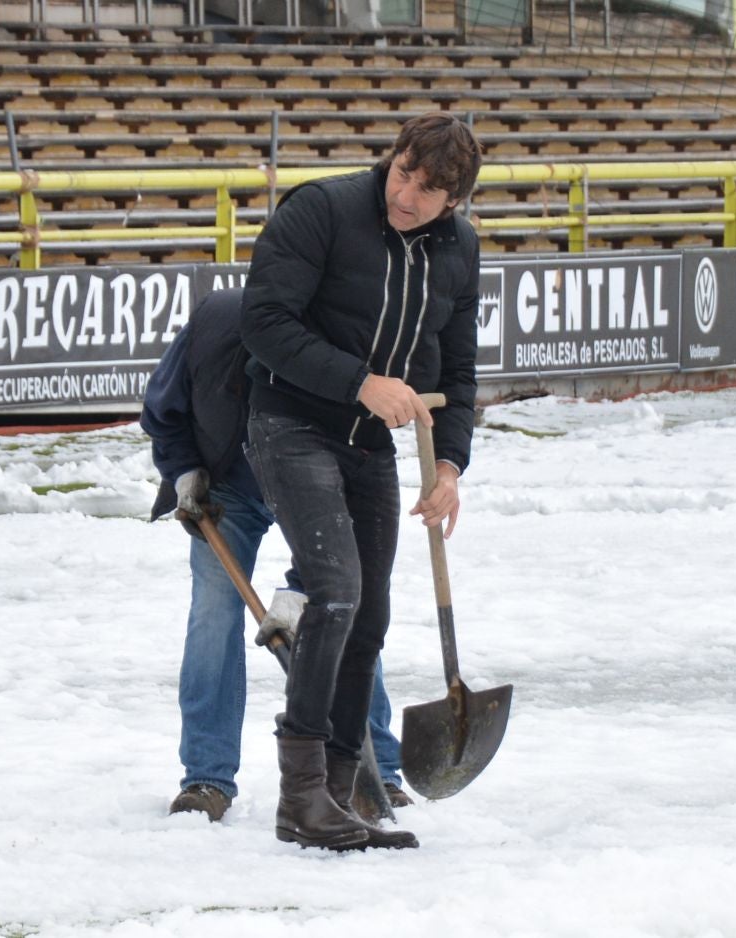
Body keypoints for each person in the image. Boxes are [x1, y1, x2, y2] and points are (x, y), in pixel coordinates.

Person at [240, 113, 483, 851]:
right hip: (290, 422)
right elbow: (264, 321)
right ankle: (301, 797)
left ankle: (345, 789)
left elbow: (458, 371)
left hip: (370, 446)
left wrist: (450, 464)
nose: (406, 194)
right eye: (403, 171)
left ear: (456, 201)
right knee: (335, 592)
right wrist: (359, 383)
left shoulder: (458, 251)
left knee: (369, 617)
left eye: (429, 188)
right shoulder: (323, 209)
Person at [139, 287, 413, 836]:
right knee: (213, 613)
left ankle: (376, 767)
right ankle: (206, 778)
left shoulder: (338, 343)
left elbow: (356, 487)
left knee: (343, 610)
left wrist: (300, 593)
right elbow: (162, 411)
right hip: (230, 487)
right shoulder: (216, 325)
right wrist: (185, 470)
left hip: (319, 481)